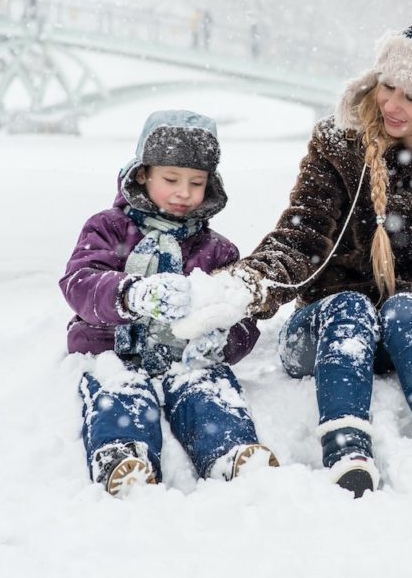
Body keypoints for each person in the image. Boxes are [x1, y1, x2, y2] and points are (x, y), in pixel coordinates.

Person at [210, 24, 412, 496]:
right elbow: (301, 237)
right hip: (327, 330)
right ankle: (346, 447)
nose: (391, 104)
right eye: (387, 86)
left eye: (411, 97)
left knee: (409, 308)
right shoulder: (338, 143)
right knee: (349, 308)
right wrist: (245, 286)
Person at [60, 110, 278, 497]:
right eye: (171, 179)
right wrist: (130, 294)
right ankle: (123, 454)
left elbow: (240, 316)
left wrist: (223, 340)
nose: (184, 193)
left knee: (208, 389)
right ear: (143, 174)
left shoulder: (217, 250)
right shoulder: (108, 228)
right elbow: (80, 281)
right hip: (112, 349)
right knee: (120, 390)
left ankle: (230, 451)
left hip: (185, 358)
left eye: (196, 183)